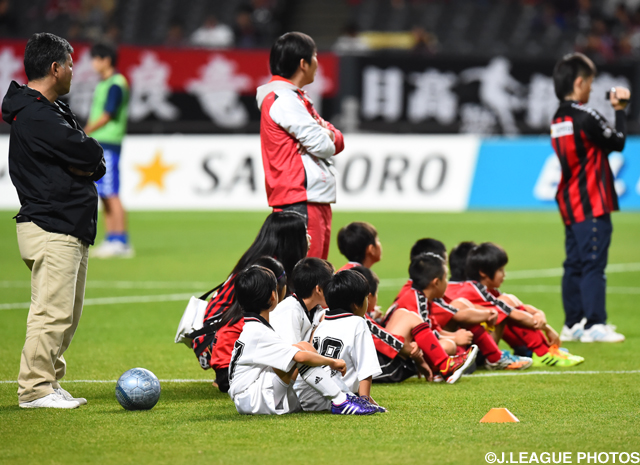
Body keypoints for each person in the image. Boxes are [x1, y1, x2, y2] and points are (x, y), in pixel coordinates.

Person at [2, 33, 106, 408]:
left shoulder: (49, 110)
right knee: (51, 312)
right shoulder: (37, 114)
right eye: (71, 64)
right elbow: (89, 151)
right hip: (52, 224)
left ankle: (49, 380)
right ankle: (34, 389)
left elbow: (91, 160)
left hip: (66, 224)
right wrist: (86, 158)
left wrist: (86, 159)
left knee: (65, 313)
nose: (74, 72)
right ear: (55, 68)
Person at [551, 52, 628, 343]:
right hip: (592, 202)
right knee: (594, 264)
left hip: (570, 203)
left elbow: (592, 148)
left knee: (573, 264)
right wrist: (620, 109)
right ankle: (595, 323)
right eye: (590, 82)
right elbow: (617, 142)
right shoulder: (587, 116)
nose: (592, 88)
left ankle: (572, 324)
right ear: (579, 81)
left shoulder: (557, 119)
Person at [228, 266, 377, 415]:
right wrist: (332, 362)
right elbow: (300, 356)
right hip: (253, 399)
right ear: (273, 296)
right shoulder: (258, 332)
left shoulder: (254, 328)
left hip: (250, 396)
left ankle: (343, 398)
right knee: (301, 353)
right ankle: (340, 400)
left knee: (302, 346)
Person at [191, 211, 308, 391]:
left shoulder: (258, 259)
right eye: (304, 233)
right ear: (291, 239)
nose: (308, 238)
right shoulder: (267, 270)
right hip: (220, 339)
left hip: (215, 335)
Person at [256, 32, 345, 259]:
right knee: (306, 280)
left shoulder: (293, 99)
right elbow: (324, 145)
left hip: (308, 197)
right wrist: (325, 134)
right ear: (303, 64)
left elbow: (337, 140)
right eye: (315, 56)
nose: (318, 62)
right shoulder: (284, 100)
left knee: (314, 277)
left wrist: (325, 135)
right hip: (299, 198)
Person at [385, 253, 479, 384]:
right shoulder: (416, 300)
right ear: (436, 282)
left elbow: (431, 329)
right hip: (395, 356)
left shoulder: (418, 296)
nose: (447, 282)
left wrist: (452, 336)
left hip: (397, 349)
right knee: (448, 345)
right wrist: (455, 338)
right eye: (446, 278)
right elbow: (426, 337)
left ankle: (442, 367)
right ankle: (441, 368)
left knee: (449, 344)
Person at [310, 270, 386, 412]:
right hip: (341, 398)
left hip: (315, 395)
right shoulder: (358, 322)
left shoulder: (322, 322)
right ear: (356, 304)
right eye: (365, 298)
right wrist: (365, 401)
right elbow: (365, 369)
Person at [85, 43, 132, 258]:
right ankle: (112, 238)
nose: (93, 63)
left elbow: (107, 115)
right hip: (101, 142)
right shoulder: (106, 83)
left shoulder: (115, 83)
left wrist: (84, 130)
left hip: (109, 143)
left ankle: (121, 240)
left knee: (111, 192)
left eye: (96, 59)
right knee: (103, 191)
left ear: (106, 60)